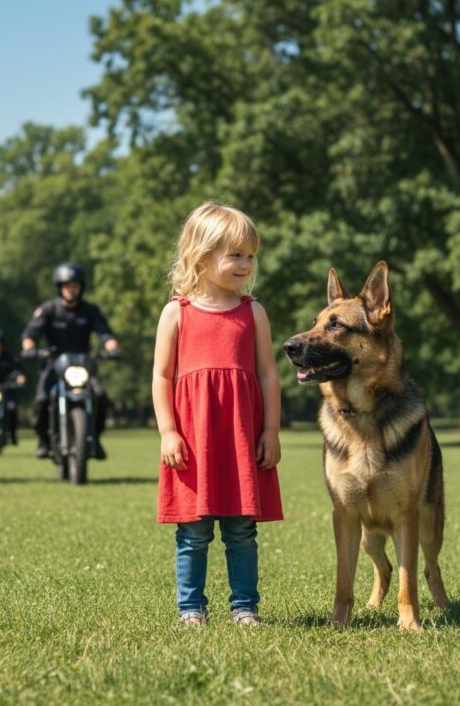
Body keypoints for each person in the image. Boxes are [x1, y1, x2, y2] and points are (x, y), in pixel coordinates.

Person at [152, 202, 284, 626]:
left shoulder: (253, 312)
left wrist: (271, 431)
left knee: (242, 529)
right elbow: (162, 376)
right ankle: (191, 609)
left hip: (241, 436)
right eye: (236, 255)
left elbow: (268, 375)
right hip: (193, 439)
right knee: (193, 531)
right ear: (202, 255)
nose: (246, 264)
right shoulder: (177, 312)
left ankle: (245, 607)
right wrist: (168, 432)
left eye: (251, 255)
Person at [21, 262, 119, 459]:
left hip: (84, 365)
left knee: (100, 396)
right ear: (59, 288)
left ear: (81, 287)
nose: (71, 290)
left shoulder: (90, 310)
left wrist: (112, 348)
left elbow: (105, 334)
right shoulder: (48, 309)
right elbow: (30, 334)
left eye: (75, 285)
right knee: (41, 399)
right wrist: (29, 348)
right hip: (53, 364)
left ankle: (95, 438)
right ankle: (43, 441)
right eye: (66, 286)